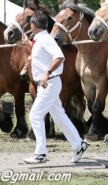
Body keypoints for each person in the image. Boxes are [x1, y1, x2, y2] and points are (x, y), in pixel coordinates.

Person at [21, 10, 89, 164]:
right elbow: (41, 52)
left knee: (35, 115)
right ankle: (79, 145)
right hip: (48, 84)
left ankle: (41, 153)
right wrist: (28, 43)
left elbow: (59, 57)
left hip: (49, 83)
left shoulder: (45, 40)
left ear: (33, 25)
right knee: (59, 116)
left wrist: (46, 73)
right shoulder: (40, 39)